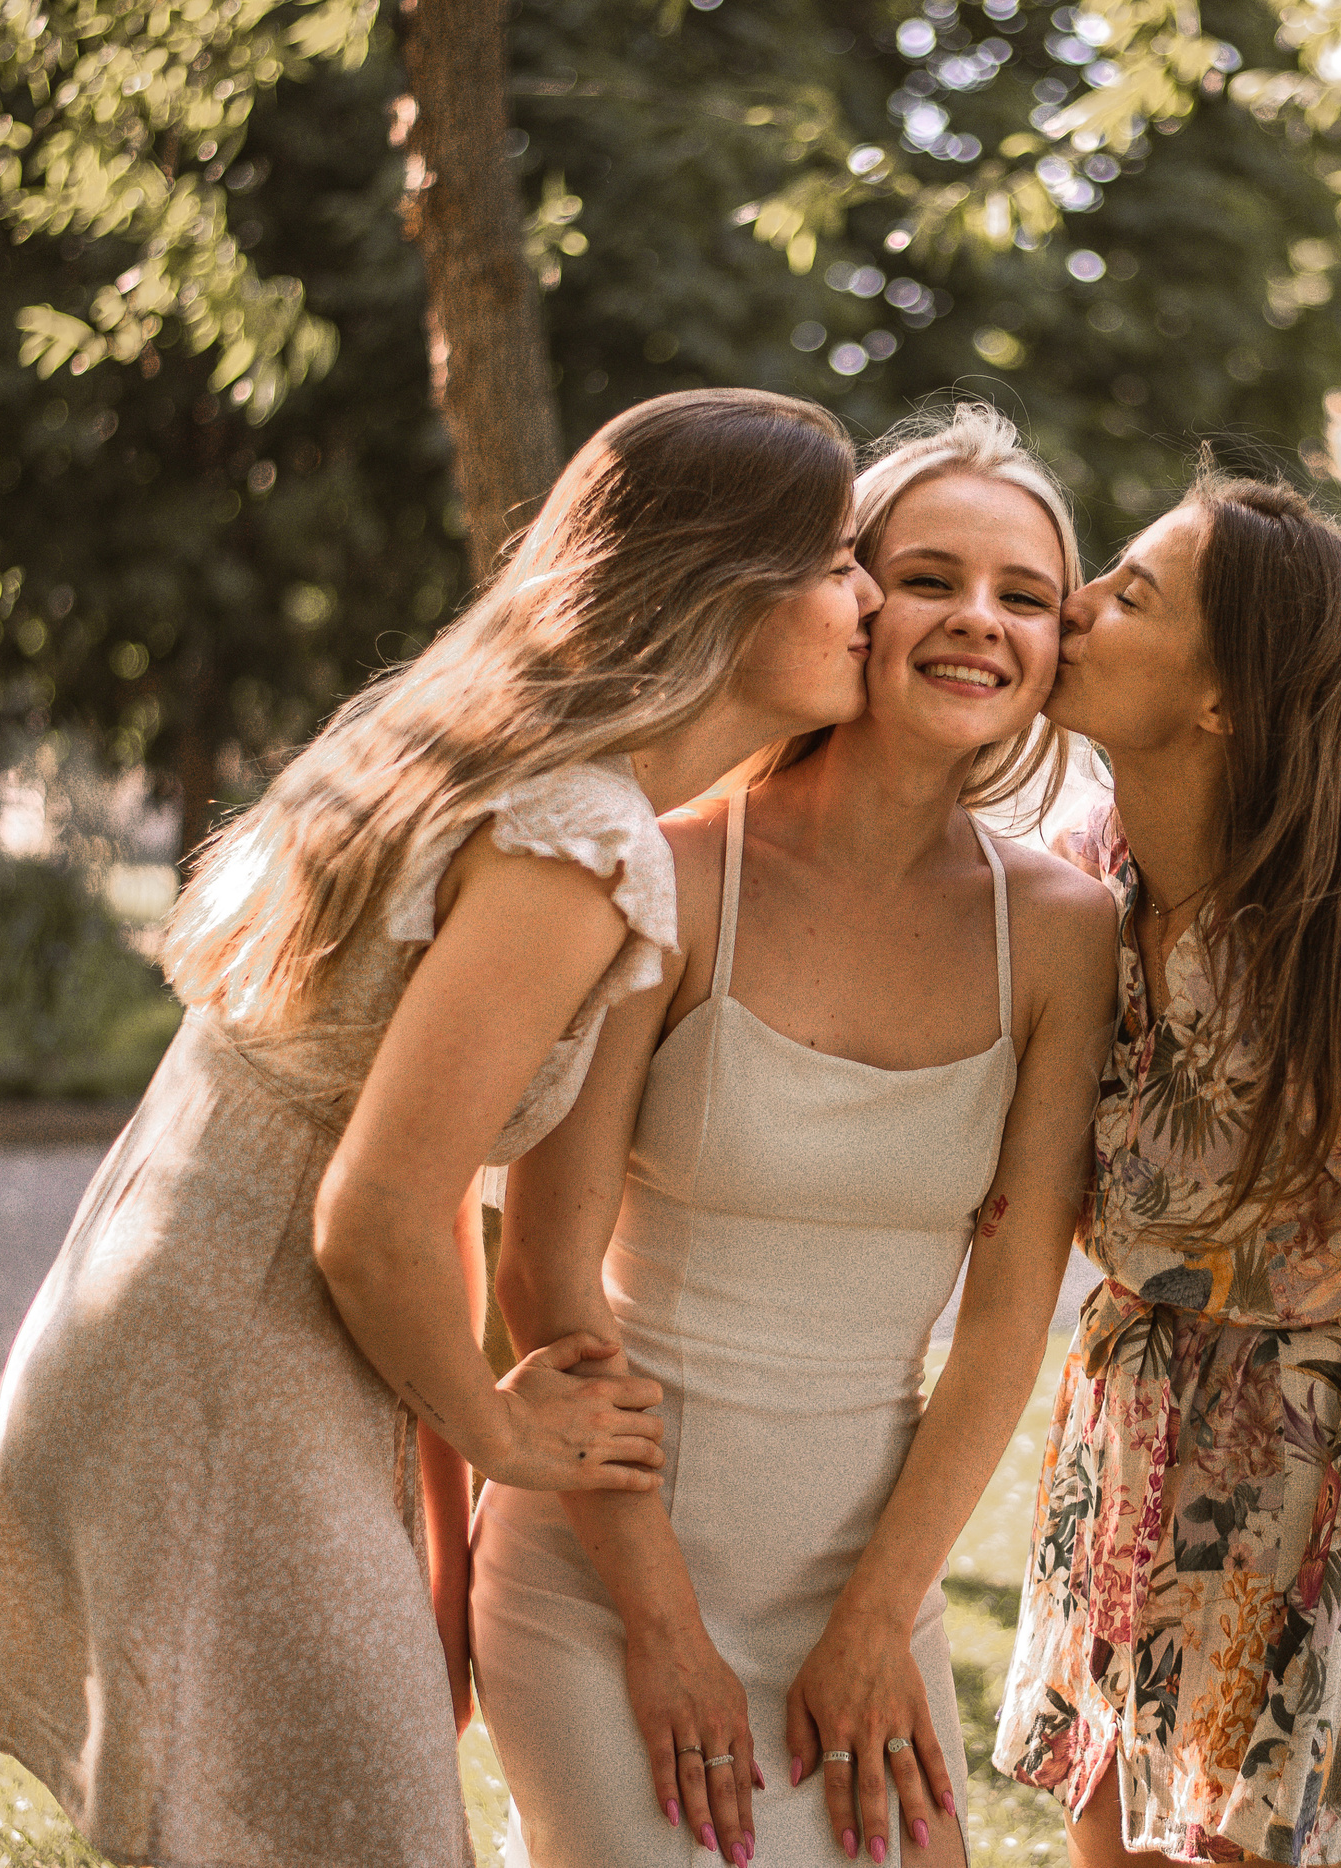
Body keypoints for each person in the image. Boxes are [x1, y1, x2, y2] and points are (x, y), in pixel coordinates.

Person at [0, 388, 877, 1868]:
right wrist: (510, 1428)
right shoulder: (579, 840)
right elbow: (373, 1216)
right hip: (232, 1373)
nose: (871, 597)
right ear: (723, 582)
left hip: (199, 1333)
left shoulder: (501, 767)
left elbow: (428, 1192)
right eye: (838, 558)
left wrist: (443, 1514)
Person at [472, 406, 1123, 1868]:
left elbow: (1009, 1320)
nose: (978, 621)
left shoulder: (1066, 934)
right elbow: (545, 1274)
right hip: (604, 1579)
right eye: (932, 576)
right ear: (848, 596)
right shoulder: (673, 870)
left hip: (861, 1595)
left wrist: (879, 1620)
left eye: (1025, 595)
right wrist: (663, 1629)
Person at [991, 469, 1341, 1867]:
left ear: (1225, 699)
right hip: (1125, 1401)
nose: (1077, 605)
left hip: (1286, 1447)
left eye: (1132, 594)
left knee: (1227, 1847)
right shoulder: (1080, 887)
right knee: (1103, 1836)